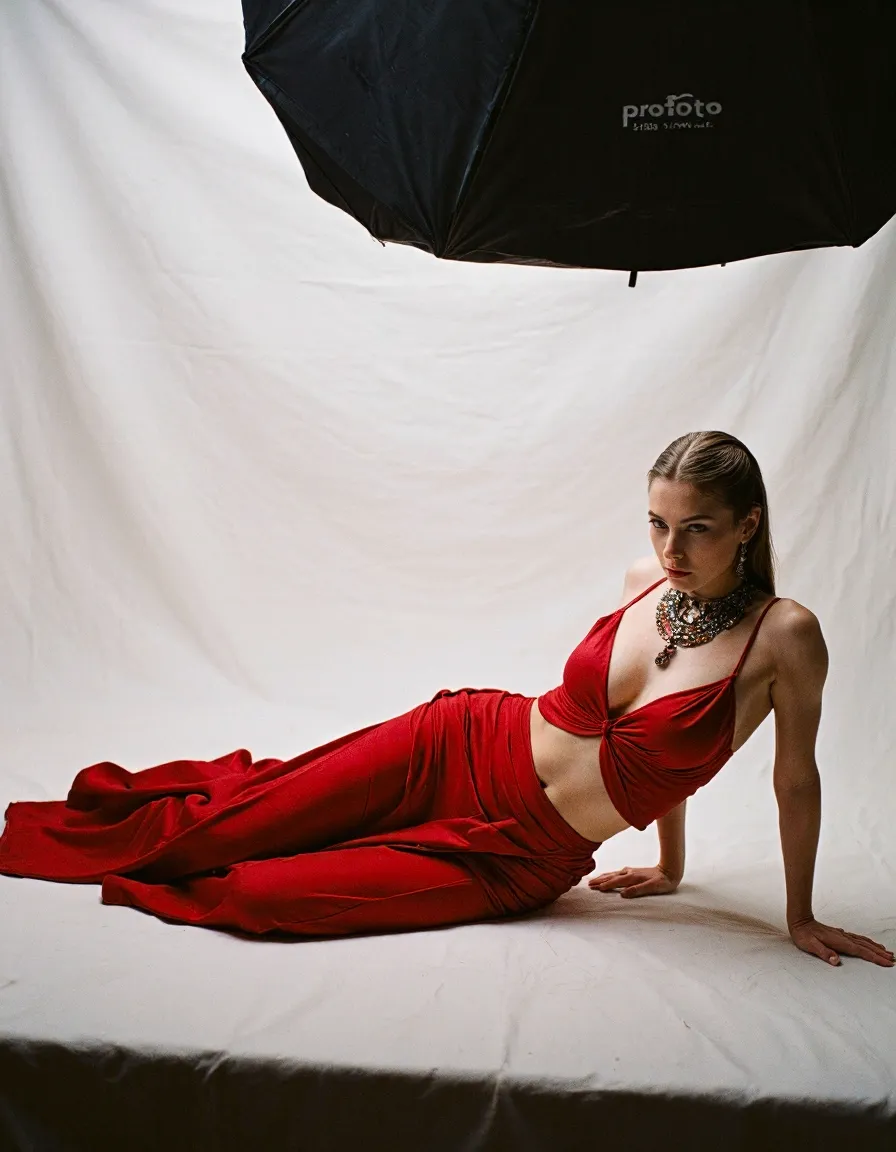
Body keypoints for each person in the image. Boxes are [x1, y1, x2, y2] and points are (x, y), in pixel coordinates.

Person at [1, 430, 892, 968]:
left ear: (749, 524)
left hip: (518, 859)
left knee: (267, 898)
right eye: (658, 522)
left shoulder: (786, 636)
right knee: (237, 821)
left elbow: (789, 779)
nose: (670, 547)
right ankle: (63, 834)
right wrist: (671, 863)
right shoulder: (639, 581)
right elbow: (663, 748)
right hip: (462, 741)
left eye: (697, 528)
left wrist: (797, 915)